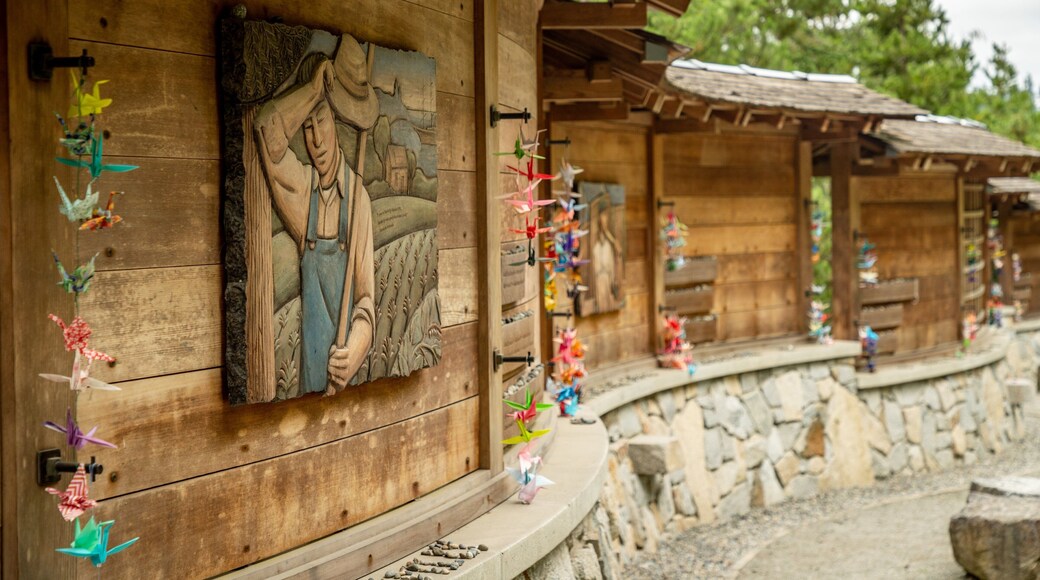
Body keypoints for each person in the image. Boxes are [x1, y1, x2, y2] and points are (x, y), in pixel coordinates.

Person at [254, 35, 376, 395]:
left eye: (320, 122)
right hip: (308, 385)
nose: (316, 141)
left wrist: (355, 351)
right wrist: (311, 92)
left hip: (344, 383)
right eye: (306, 128)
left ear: (337, 123)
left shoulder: (358, 200)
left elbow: (366, 299)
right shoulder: (302, 192)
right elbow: (266, 129)